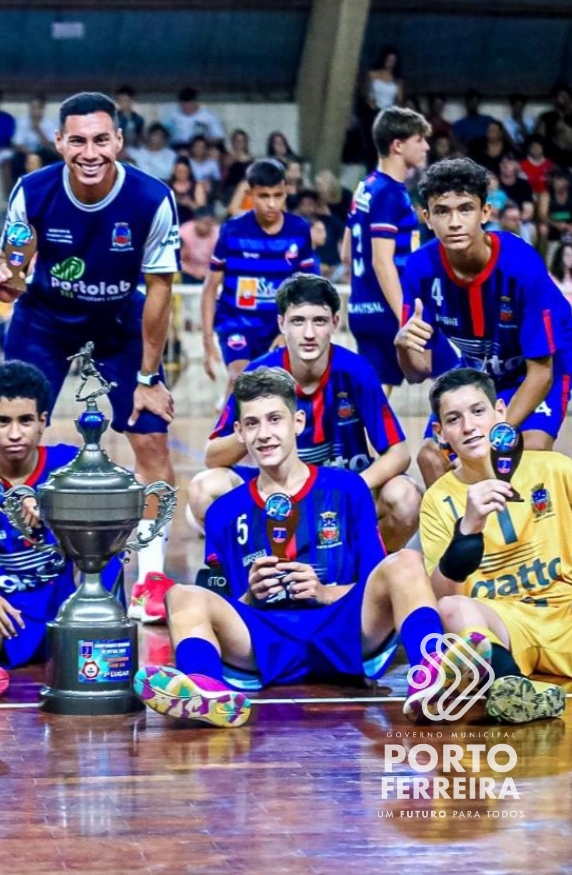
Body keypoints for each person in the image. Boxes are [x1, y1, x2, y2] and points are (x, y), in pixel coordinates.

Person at [134, 368, 457, 728]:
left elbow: (375, 586)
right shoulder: (224, 510)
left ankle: (434, 674)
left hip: (343, 628)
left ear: (298, 422)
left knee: (407, 562)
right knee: (181, 596)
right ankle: (204, 687)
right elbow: (224, 607)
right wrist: (252, 596)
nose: (264, 434)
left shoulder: (347, 489)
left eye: (275, 419)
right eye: (252, 424)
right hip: (263, 637)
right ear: (238, 433)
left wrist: (324, 591)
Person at [0, 91, 180, 617]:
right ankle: (14, 552)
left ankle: (154, 574)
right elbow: (12, 275)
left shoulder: (151, 198)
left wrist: (148, 375)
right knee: (14, 428)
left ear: (119, 140)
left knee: (149, 436)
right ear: (59, 142)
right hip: (45, 318)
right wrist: (6, 282)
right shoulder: (32, 191)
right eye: (78, 140)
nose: (90, 151)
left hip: (120, 319)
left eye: (101, 139)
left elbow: (160, 292)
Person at [191, 274, 420, 553]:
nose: (309, 334)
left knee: (405, 497)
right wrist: (253, 426)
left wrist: (355, 486)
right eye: (298, 321)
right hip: (276, 493)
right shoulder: (259, 374)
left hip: (342, 485)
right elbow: (212, 456)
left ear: (335, 323)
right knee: (205, 489)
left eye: (319, 321)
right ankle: (258, 573)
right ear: (281, 324)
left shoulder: (356, 371)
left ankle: (366, 576)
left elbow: (399, 453)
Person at [395, 158, 572, 486]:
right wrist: (403, 347)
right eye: (442, 211)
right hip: (482, 366)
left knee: (527, 450)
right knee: (430, 457)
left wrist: (493, 434)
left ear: (485, 213)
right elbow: (416, 372)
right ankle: (462, 537)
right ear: (426, 217)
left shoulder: (521, 265)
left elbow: (541, 373)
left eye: (465, 209)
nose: (454, 222)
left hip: (541, 364)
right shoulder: (418, 269)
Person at [0, 361, 116, 685]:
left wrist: (54, 505)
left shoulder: (70, 468)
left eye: (26, 420)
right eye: (3, 421)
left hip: (65, 614)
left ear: (43, 422)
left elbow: (107, 535)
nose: (15, 433)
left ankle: (107, 656)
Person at [418, 368, 572, 722]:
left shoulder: (554, 469)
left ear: (500, 413)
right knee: (453, 610)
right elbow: (440, 594)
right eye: (454, 420)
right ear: (440, 433)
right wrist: (468, 528)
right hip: (503, 623)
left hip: (568, 614)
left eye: (478, 412)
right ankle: (512, 689)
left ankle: (476, 675)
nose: (469, 427)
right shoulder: (438, 499)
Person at [201, 158, 317, 402]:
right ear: (250, 194)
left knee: (279, 392)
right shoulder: (232, 230)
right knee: (241, 378)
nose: (272, 203)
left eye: (278, 195)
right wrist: (207, 341)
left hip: (278, 325)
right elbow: (210, 287)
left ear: (286, 190)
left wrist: (289, 330)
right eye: (264, 196)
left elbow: (307, 288)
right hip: (237, 322)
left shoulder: (299, 230)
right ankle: (224, 435)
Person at [343, 106, 431, 393]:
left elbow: (346, 252)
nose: (426, 146)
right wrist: (405, 317)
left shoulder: (365, 187)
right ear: (397, 145)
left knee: (371, 396)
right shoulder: (390, 193)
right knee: (447, 371)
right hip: (386, 311)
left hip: (362, 307)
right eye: (419, 140)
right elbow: (382, 262)